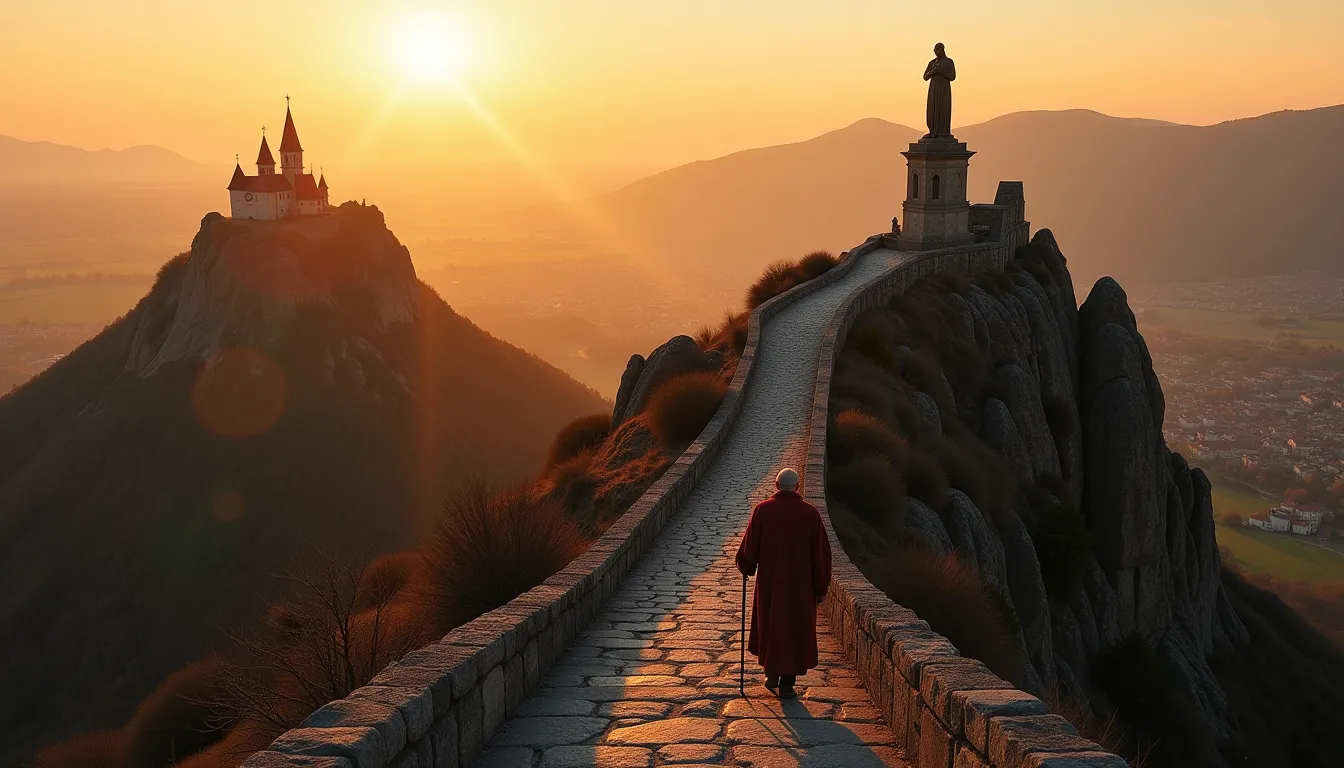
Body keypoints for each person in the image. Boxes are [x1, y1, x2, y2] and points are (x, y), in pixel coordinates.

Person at [735, 467, 833, 699]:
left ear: (777, 486)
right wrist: (821, 588)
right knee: (795, 628)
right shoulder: (810, 514)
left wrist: (746, 567)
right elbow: (821, 555)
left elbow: (749, 549)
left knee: (772, 624)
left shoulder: (762, 510)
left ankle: (771, 675)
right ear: (798, 487)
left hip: (770, 583)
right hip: (801, 586)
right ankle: (787, 683)